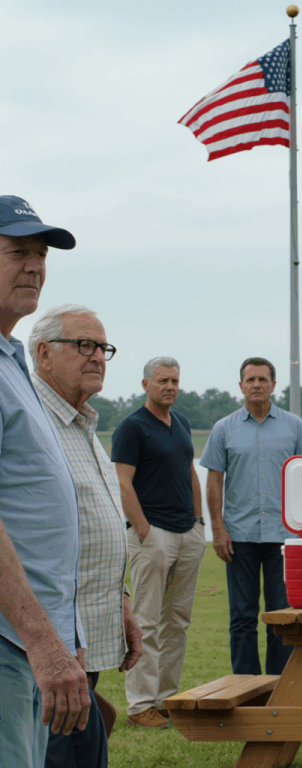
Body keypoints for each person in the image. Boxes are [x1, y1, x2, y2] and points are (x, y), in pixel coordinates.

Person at [30, 305, 143, 764]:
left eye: (102, 347)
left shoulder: (82, 424)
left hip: (86, 647)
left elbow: (88, 532)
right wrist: (47, 645)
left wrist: (121, 603)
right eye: (83, 345)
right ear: (44, 354)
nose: (97, 356)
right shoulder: (30, 423)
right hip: (46, 654)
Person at [0, 196, 92, 767]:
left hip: (28, 641)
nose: (35, 266)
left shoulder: (11, 361)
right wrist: (41, 640)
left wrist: (64, 632)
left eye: (41, 255)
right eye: (18, 252)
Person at [200, 357, 302, 677]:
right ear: (241, 386)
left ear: (273, 385)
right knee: (242, 616)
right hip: (239, 536)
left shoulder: (295, 426)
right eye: (250, 380)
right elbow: (214, 481)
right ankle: (245, 686)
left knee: (282, 616)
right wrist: (218, 529)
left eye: (262, 379)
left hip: (285, 537)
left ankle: (280, 685)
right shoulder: (224, 428)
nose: (256, 385)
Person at [112, 357, 206, 728]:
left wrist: (199, 522)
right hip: (153, 534)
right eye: (163, 380)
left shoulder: (180, 422)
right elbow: (123, 483)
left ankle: (167, 698)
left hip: (188, 533)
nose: (170, 387)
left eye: (175, 381)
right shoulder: (132, 427)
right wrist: (144, 531)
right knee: (147, 621)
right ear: (146, 384)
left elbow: (190, 473)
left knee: (178, 622)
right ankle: (140, 705)